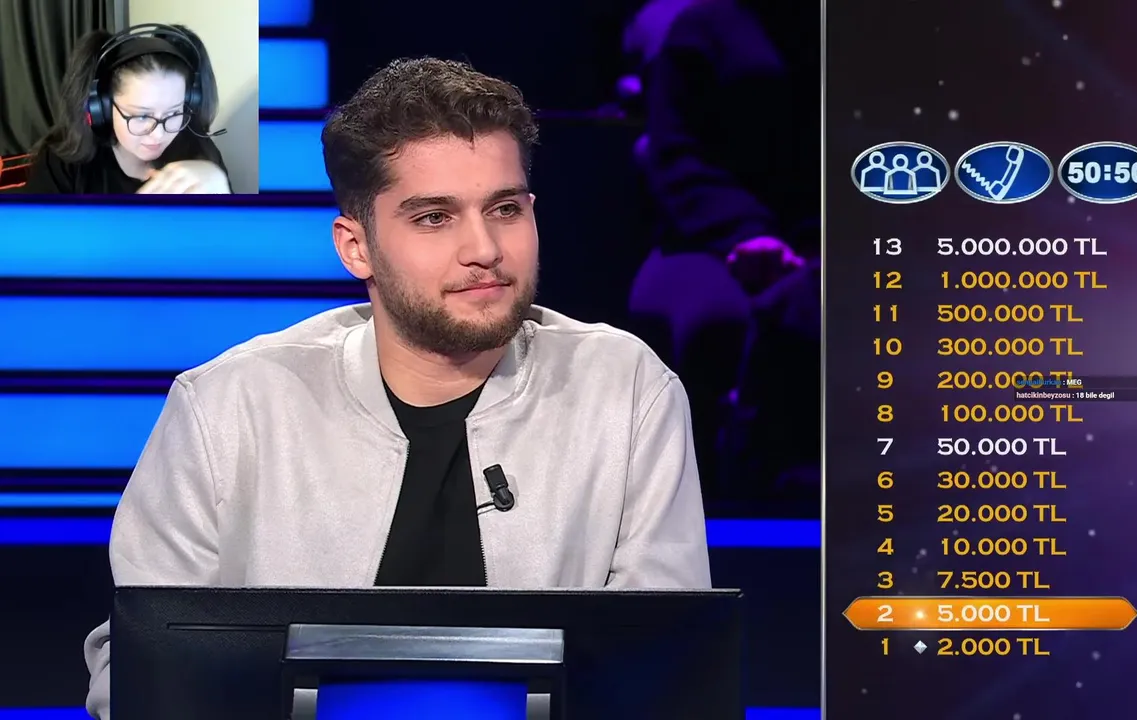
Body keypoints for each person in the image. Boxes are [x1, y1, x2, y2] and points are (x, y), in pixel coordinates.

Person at [81, 56, 710, 718]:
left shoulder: (625, 391)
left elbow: (668, 665)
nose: (484, 248)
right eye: (435, 217)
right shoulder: (231, 407)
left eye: (505, 208)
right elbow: (138, 667)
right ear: (356, 247)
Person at [626, 0, 820, 495]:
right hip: (713, 233)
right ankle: (732, 493)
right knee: (721, 319)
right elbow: (676, 153)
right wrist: (748, 233)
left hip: (832, 237)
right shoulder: (704, 27)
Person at [22, 24, 231, 195]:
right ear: (102, 108)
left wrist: (221, 195)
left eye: (174, 113)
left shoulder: (200, 152)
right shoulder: (62, 163)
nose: (159, 134)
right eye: (142, 116)